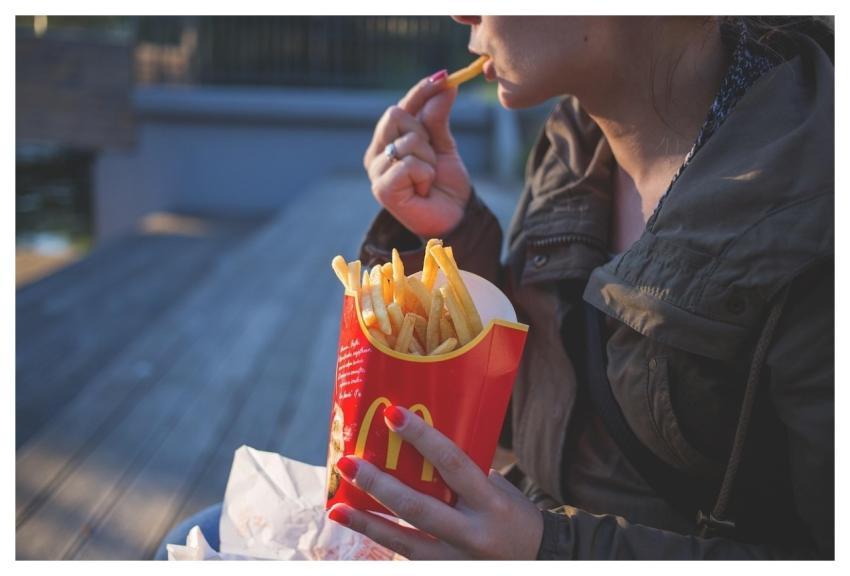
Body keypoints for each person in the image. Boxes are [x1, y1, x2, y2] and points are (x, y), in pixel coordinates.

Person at [327, 16, 834, 559]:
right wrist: (450, 235)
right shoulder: (574, 141)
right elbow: (551, 424)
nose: (459, 12)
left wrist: (547, 551)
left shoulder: (817, 202)